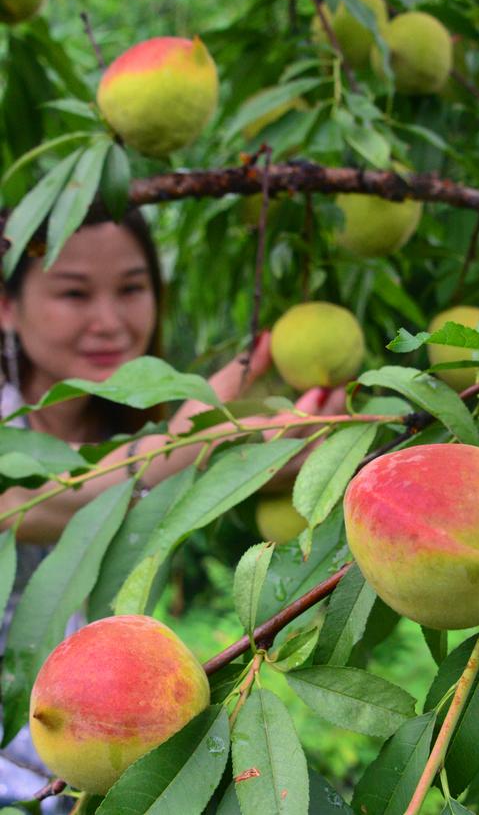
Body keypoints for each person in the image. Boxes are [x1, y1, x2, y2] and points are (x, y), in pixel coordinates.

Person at [0, 204, 344, 810]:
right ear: (7, 306)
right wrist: (194, 443)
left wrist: (329, 451)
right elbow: (41, 496)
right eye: (74, 293)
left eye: (132, 288)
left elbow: (190, 484)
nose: (109, 321)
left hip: (96, 778)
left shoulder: (149, 438)